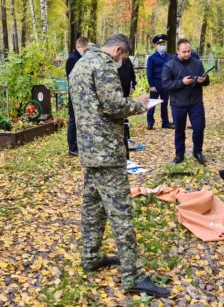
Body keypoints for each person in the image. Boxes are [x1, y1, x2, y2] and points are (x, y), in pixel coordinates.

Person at [68, 34, 170, 296]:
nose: (121, 61)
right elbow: (113, 104)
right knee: (121, 214)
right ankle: (133, 275)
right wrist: (141, 104)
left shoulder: (81, 63)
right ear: (118, 49)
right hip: (107, 152)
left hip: (89, 150)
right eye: (123, 57)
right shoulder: (103, 65)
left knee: (93, 207)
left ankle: (91, 256)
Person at [161, 38, 210, 165]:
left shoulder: (197, 63)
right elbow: (165, 84)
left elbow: (207, 81)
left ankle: (197, 151)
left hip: (196, 102)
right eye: (184, 52)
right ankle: (179, 153)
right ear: (177, 51)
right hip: (178, 103)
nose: (187, 54)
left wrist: (202, 80)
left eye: (188, 51)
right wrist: (181, 82)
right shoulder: (169, 65)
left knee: (199, 127)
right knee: (179, 130)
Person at [66, 37, 89, 156]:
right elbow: (72, 78)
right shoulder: (72, 59)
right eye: (84, 50)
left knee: (78, 121)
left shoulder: (79, 58)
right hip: (74, 95)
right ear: (78, 47)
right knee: (73, 121)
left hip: (81, 94)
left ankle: (78, 145)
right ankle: (72, 148)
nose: (85, 53)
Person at [146, 34, 173, 130]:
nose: (162, 45)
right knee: (152, 104)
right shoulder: (152, 58)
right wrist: (151, 85)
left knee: (164, 104)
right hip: (156, 83)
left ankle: (165, 122)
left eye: (163, 43)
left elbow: (172, 70)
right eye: (159, 44)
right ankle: (150, 122)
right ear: (156, 45)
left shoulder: (169, 57)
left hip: (166, 83)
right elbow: (149, 72)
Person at [118, 57, 137, 159]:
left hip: (126, 90)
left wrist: (133, 85)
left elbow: (132, 74)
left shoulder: (128, 61)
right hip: (117, 90)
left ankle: (126, 136)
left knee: (125, 114)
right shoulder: (114, 61)